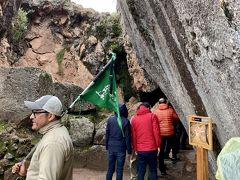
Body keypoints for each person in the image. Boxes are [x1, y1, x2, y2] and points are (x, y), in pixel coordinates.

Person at [12, 95, 73, 180]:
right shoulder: (55, 132)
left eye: (36, 112)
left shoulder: (53, 143)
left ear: (50, 116)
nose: (31, 117)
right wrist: (28, 173)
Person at [131, 102, 161, 180]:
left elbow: (134, 136)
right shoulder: (152, 116)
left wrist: (135, 149)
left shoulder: (134, 119)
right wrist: (158, 146)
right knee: (153, 170)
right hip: (152, 148)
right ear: (148, 108)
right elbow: (156, 132)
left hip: (140, 150)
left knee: (141, 171)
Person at [105, 103, 132, 180]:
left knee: (110, 168)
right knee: (119, 169)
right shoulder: (126, 121)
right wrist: (129, 150)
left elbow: (107, 134)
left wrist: (107, 146)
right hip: (121, 148)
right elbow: (127, 137)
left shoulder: (110, 120)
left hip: (111, 147)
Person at [154, 98, 179, 175]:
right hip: (170, 133)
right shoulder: (170, 110)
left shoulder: (156, 112)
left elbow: (154, 123)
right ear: (166, 102)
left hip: (161, 134)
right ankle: (174, 157)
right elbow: (176, 118)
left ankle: (162, 170)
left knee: (161, 151)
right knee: (174, 143)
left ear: (159, 103)